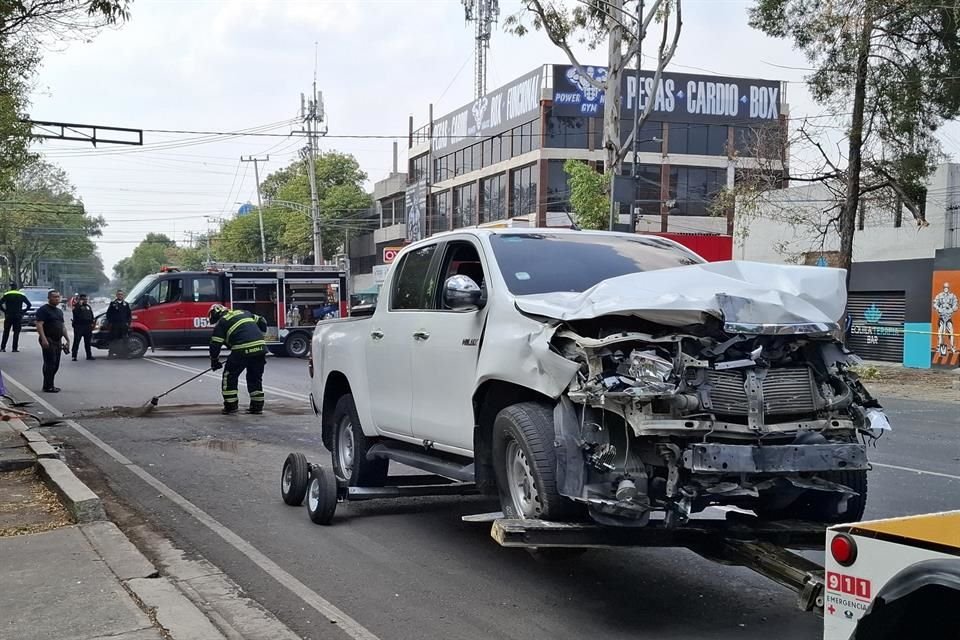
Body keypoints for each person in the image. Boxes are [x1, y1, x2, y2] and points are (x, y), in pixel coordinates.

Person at [207, 304, 267, 415]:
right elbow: (263, 321)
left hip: (241, 349)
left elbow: (215, 345)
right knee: (255, 378)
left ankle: (231, 406)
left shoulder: (222, 322)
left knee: (229, 376)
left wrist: (214, 361)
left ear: (215, 315)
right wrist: (261, 337)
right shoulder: (244, 312)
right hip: (260, 348)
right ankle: (257, 407)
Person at [35, 290, 69, 393]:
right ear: (49, 298)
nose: (56, 299)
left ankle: (50, 384)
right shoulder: (43, 310)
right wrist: (44, 339)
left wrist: (67, 339)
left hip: (57, 340)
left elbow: (62, 326)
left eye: (58, 297)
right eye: (54, 297)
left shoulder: (59, 311)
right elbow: (39, 324)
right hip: (48, 339)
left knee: (56, 364)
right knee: (50, 362)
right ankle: (47, 386)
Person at [0, 282, 31, 353]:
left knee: (6, 332)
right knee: (16, 332)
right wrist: (23, 311)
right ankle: (14, 348)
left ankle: (2, 348)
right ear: (16, 287)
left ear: (11, 287)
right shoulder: (21, 295)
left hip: (8, 316)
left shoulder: (7, 294)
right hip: (18, 316)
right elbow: (29, 305)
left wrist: (5, 311)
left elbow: (0, 303)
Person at [105, 289, 132, 359]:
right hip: (115, 325)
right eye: (119, 294)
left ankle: (125, 354)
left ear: (123, 295)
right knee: (113, 340)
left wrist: (128, 323)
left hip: (123, 325)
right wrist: (111, 322)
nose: (120, 295)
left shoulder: (126, 304)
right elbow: (108, 314)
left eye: (121, 294)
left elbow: (129, 315)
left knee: (125, 340)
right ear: (116, 295)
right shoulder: (113, 303)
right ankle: (111, 354)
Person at [933, 281, 958, 355]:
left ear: (948, 288)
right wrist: (938, 309)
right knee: (940, 332)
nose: (945, 289)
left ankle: (953, 348)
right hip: (941, 317)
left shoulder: (952, 296)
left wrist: (952, 309)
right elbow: (935, 303)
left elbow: (956, 304)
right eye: (944, 287)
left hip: (949, 317)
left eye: (947, 288)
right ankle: (939, 347)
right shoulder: (939, 296)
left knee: (951, 332)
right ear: (943, 288)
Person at [71, 293, 96, 361]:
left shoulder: (88, 306)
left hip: (87, 326)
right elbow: (75, 313)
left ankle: (89, 355)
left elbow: (91, 315)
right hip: (79, 326)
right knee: (76, 341)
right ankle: (74, 355)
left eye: (86, 299)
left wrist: (92, 323)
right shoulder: (76, 306)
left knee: (87, 342)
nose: (85, 300)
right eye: (83, 299)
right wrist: (79, 305)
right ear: (80, 300)